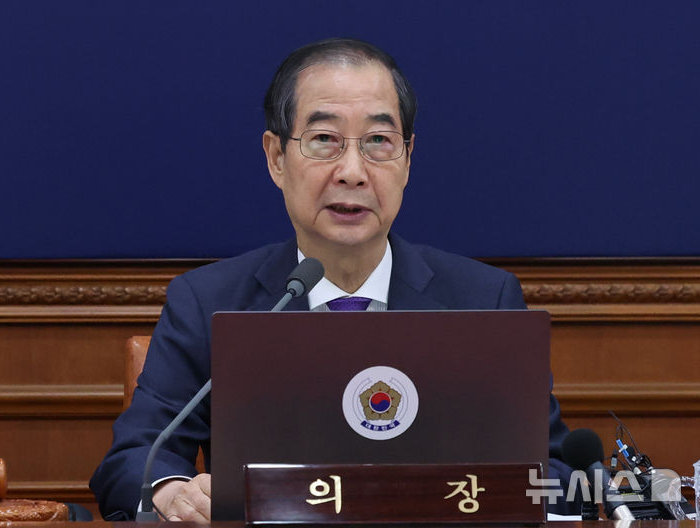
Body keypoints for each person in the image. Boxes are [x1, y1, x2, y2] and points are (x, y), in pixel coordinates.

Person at [90, 38, 579, 521]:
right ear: (276, 158)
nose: (352, 172)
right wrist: (172, 492)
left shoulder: (484, 300)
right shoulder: (207, 302)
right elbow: (135, 458)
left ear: (408, 158)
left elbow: (553, 473)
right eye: (324, 139)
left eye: (378, 141)